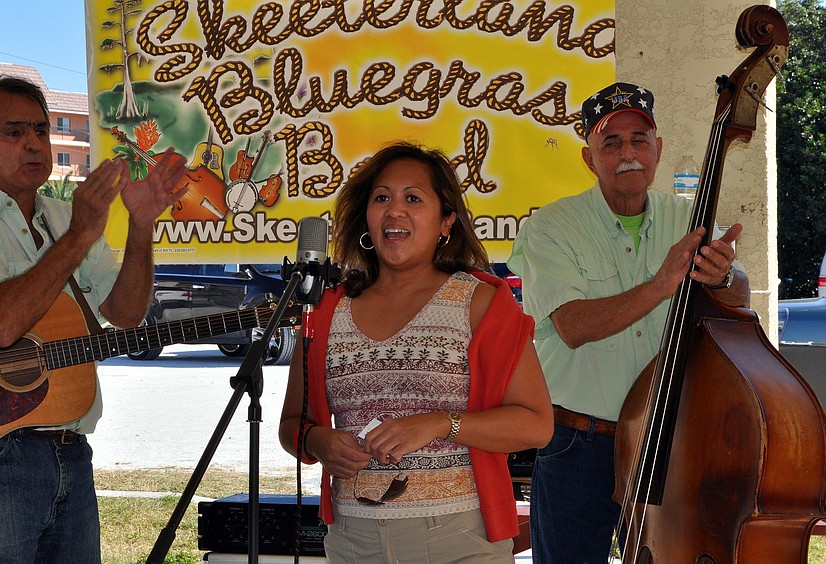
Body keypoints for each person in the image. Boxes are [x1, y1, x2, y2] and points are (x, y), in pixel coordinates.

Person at [507, 82, 751, 563]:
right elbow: (574, 326)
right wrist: (662, 284)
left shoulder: (691, 218)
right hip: (579, 443)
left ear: (657, 148)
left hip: (672, 440)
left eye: (639, 139)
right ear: (588, 157)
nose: (628, 154)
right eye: (611, 143)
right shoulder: (550, 227)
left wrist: (724, 278)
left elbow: (739, 295)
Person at [279, 141, 554, 562]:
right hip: (353, 542)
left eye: (413, 198)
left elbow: (536, 425)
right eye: (382, 198)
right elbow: (292, 425)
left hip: (457, 539)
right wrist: (317, 441)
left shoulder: (480, 303)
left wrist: (440, 423)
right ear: (366, 219)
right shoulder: (327, 310)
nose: (395, 210)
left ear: (446, 221)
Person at [0, 77, 189, 563]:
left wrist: (140, 225)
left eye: (40, 131)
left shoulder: (60, 214)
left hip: (72, 451)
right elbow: (2, 325)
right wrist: (80, 235)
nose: (34, 143)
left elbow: (125, 313)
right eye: (13, 133)